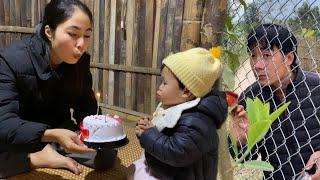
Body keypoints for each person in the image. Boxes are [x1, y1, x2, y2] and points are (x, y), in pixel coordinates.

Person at [0, 0, 99, 178]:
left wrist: (97, 132)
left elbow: (86, 104)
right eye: (73, 34)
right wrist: (50, 135)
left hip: (59, 131)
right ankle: (37, 158)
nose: (81, 44)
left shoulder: (80, 62)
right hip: (20, 135)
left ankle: (49, 151)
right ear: (48, 32)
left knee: (104, 155)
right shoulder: (10, 60)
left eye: (87, 35)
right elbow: (4, 123)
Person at [230, 23, 320, 179]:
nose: (257, 65)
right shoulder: (251, 97)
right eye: (253, 56)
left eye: (266, 55)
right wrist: (240, 142)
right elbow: (246, 159)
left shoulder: (316, 87)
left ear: (289, 58)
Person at [132, 47, 228, 179]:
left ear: (186, 92)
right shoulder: (179, 106)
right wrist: (148, 127)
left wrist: (148, 134)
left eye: (165, 83)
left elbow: (176, 152)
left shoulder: (197, 122)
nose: (160, 87)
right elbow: (165, 133)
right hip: (165, 170)